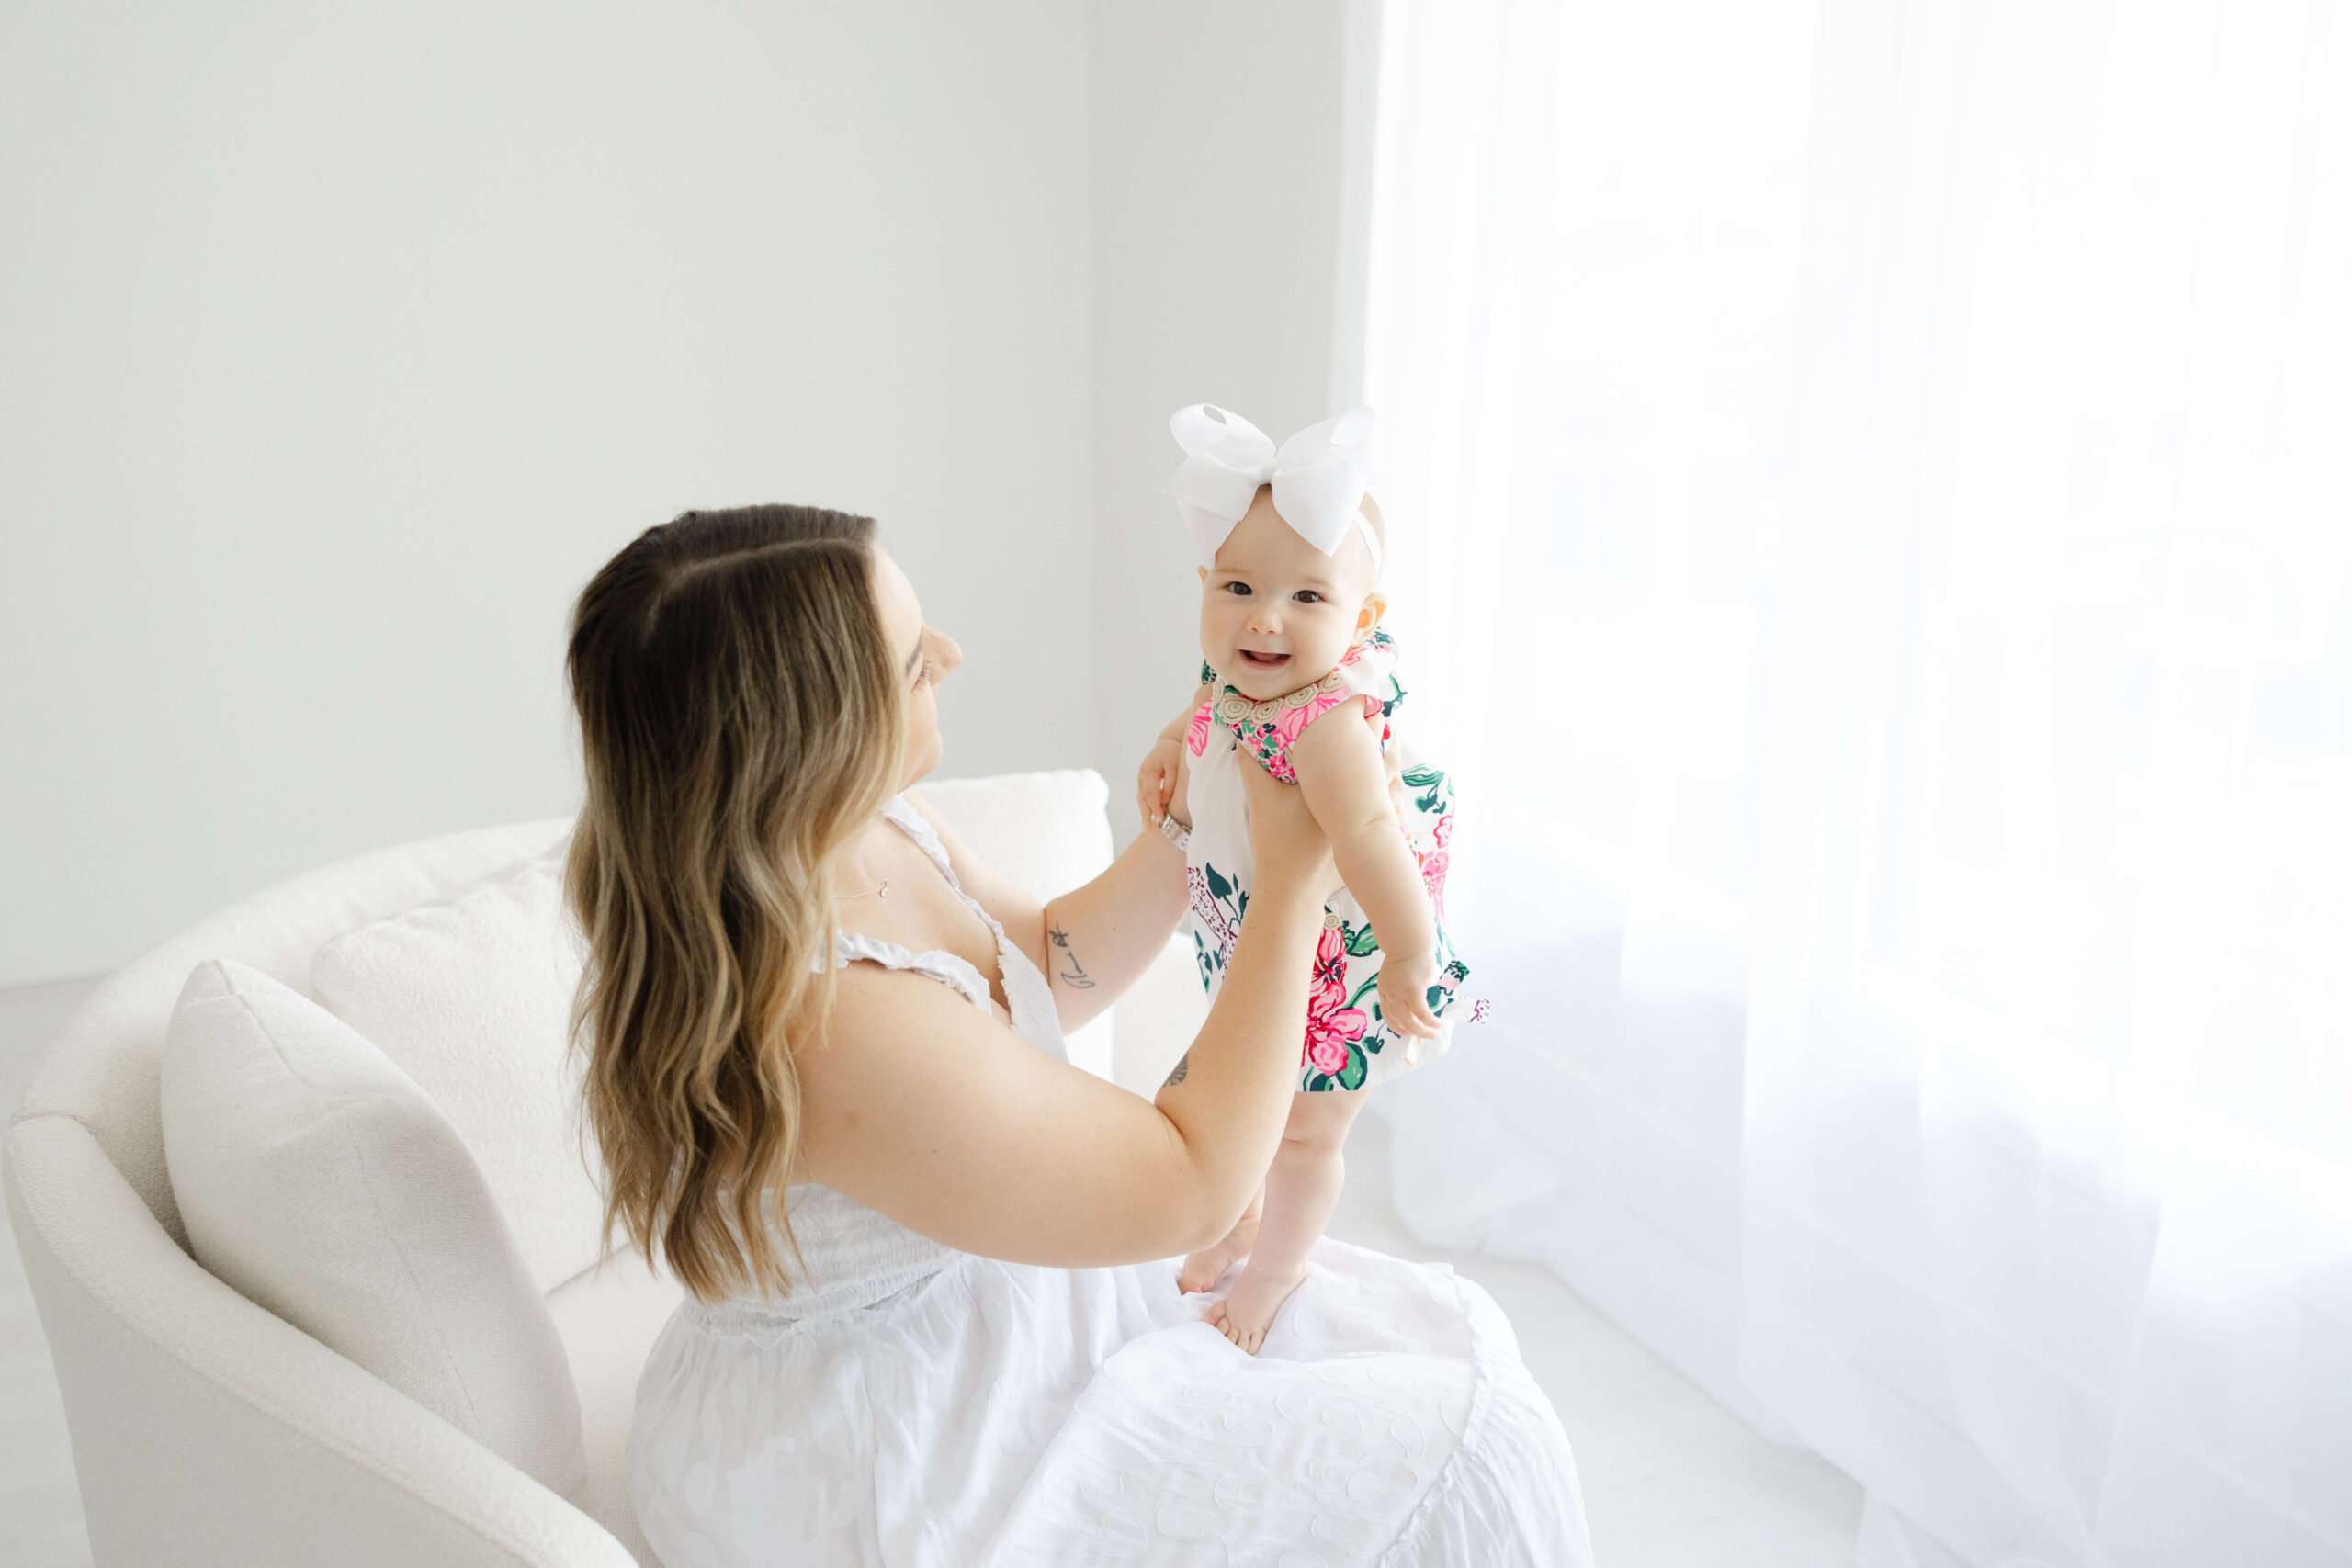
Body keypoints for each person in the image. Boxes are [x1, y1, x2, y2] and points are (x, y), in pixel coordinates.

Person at [565, 504, 1589, 1566]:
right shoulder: (838, 1023)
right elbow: (1189, 1182)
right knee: (1473, 1451)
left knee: (1428, 1378)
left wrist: (1195, 807)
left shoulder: (857, 822)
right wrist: (1287, 891)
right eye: (917, 663)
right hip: (906, 1447)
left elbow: (1043, 967)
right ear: (811, 737)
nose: (954, 656)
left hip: (1012, 1295)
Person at [1136, 403, 1486, 1354]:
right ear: (1205, 584)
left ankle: (1280, 1266)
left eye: (1307, 599)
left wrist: (1414, 954)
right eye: (1240, 587)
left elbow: (1369, 834)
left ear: (1362, 619)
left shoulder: (1327, 719)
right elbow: (1198, 708)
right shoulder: (1240, 669)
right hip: (1260, 930)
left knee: (1303, 1127)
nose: (1265, 618)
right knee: (1243, 1087)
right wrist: (1168, 750)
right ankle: (1237, 1217)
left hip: (1349, 956)